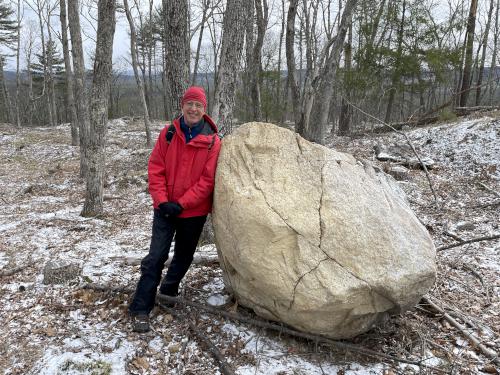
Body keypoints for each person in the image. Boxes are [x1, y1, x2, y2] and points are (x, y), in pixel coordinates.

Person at [129, 86, 221, 333]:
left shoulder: (213, 142)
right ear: (183, 106)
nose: (193, 109)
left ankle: (168, 290)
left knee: (184, 256)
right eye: (189, 104)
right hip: (164, 209)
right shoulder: (168, 134)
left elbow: (207, 181)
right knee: (155, 257)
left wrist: (182, 203)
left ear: (204, 109)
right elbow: (155, 168)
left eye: (198, 105)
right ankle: (140, 308)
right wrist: (162, 201)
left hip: (193, 211)